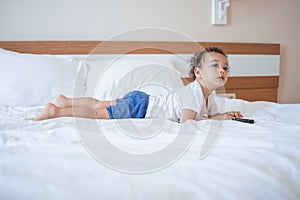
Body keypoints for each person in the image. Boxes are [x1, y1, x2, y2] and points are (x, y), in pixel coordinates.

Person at [34, 47, 242, 123]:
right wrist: (212, 120)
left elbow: (207, 116)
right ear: (198, 73)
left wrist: (223, 116)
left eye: (225, 68)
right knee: (99, 114)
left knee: (99, 104)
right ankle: (56, 111)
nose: (222, 71)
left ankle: (65, 100)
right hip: (140, 107)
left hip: (141, 99)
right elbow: (187, 122)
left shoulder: (208, 97)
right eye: (215, 66)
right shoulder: (193, 93)